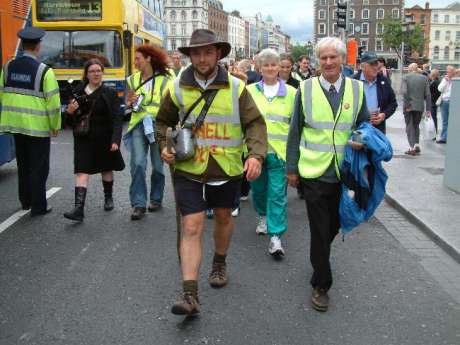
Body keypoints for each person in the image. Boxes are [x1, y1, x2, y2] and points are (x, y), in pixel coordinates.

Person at [156, 29, 267, 316]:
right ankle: (190, 294)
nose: (202, 58)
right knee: (192, 226)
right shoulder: (177, 86)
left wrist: (255, 154)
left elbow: (255, 123)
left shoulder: (236, 87)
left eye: (208, 52)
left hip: (226, 167)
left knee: (221, 218)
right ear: (190, 56)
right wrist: (164, 146)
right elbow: (162, 123)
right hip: (188, 167)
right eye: (196, 52)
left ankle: (219, 261)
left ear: (218, 54)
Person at [286, 37, 370, 312]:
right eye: (323, 57)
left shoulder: (357, 89)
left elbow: (364, 126)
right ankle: (321, 284)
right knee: (319, 230)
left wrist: (362, 140)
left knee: (334, 225)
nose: (328, 62)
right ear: (317, 60)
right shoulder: (306, 88)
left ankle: (320, 259)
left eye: (333, 57)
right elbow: (295, 130)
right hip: (314, 173)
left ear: (343, 59)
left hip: (345, 172)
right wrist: (291, 168)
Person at [0, 27, 61, 216]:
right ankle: (39, 206)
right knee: (39, 167)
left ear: (23, 45)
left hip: (15, 125)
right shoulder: (45, 72)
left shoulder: (8, 67)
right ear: (38, 46)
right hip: (38, 127)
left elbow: (3, 93)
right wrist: (55, 125)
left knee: (23, 165)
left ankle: (25, 201)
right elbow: (53, 104)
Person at [247, 49, 296, 258]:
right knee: (258, 190)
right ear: (259, 67)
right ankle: (263, 216)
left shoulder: (293, 93)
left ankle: (276, 237)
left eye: (273, 65)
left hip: (280, 153)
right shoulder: (248, 91)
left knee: (277, 194)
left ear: (279, 67)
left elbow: (296, 126)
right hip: (255, 153)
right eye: (265, 65)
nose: (270, 68)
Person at [63, 59, 125, 222]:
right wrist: (69, 112)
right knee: (81, 171)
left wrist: (115, 140)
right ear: (86, 74)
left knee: (106, 168)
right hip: (84, 137)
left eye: (99, 71)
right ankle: (79, 209)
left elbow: (117, 118)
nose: (96, 74)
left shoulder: (109, 93)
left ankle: (108, 198)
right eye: (92, 71)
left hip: (105, 136)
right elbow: (69, 121)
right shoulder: (78, 91)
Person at [125, 45, 172, 220]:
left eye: (138, 58)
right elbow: (128, 104)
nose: (135, 62)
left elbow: (170, 106)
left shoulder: (165, 81)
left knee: (158, 168)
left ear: (149, 58)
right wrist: (129, 102)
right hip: (138, 124)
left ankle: (156, 198)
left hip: (158, 126)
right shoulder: (132, 80)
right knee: (137, 164)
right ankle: (138, 204)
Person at [353, 52, 397, 134]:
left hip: (377, 131)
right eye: (371, 64)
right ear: (362, 67)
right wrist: (363, 115)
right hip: (357, 130)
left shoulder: (383, 81)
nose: (375, 67)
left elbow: (393, 104)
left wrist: (383, 115)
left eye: (376, 64)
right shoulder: (352, 81)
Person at [402, 63, 431, 155]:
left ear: (410, 69)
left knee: (409, 126)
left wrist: (407, 104)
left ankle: (412, 147)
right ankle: (417, 144)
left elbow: (404, 91)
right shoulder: (424, 78)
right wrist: (428, 109)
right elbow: (428, 95)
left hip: (409, 106)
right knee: (416, 125)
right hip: (420, 106)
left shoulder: (405, 77)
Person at [437, 65, 455, 144]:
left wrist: (451, 81)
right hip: (444, 101)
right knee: (445, 121)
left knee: (452, 121)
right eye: (447, 71)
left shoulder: (456, 80)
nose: (447, 73)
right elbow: (440, 89)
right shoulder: (445, 80)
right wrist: (446, 81)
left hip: (453, 102)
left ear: (453, 72)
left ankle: (450, 137)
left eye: (449, 72)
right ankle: (443, 138)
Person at [429, 69, 441, 140]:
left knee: (433, 118)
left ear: (433, 75)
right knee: (434, 117)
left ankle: (434, 133)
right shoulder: (437, 81)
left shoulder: (434, 82)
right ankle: (434, 133)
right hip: (434, 101)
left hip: (433, 101)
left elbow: (430, 92)